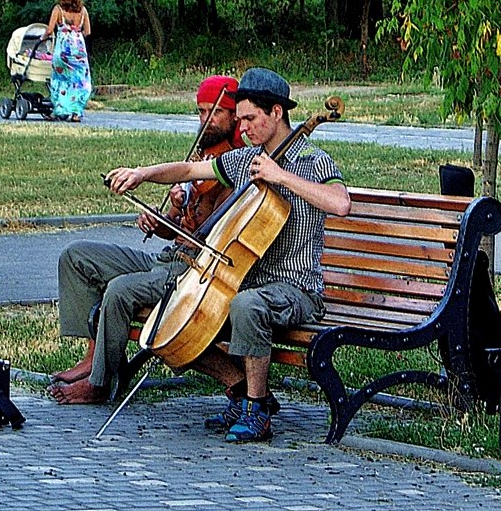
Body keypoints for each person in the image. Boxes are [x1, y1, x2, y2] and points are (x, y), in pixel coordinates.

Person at [104, 68, 351, 442]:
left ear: (277, 113)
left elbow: (340, 203)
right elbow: (189, 168)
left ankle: (256, 412)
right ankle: (242, 390)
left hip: (296, 287)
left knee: (246, 306)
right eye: (240, 120)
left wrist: (281, 177)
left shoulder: (313, 161)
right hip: (246, 281)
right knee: (180, 319)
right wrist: (142, 173)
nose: (244, 128)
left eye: (251, 118)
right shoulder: (246, 159)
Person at [48, 75, 243, 406]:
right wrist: (163, 221)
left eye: (215, 112)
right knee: (77, 257)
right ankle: (93, 355)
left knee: (121, 289)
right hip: (170, 256)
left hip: (194, 270)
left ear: (235, 115)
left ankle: (99, 382)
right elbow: (181, 227)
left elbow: (216, 232)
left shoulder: (234, 163)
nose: (204, 121)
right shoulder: (202, 156)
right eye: (199, 111)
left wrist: (180, 198)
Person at [41, 0, 91, 122]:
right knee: (79, 80)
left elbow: (50, 30)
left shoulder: (58, 10)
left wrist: (43, 38)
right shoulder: (83, 11)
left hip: (62, 51)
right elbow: (87, 32)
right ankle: (76, 113)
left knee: (60, 80)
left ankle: (58, 111)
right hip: (79, 51)